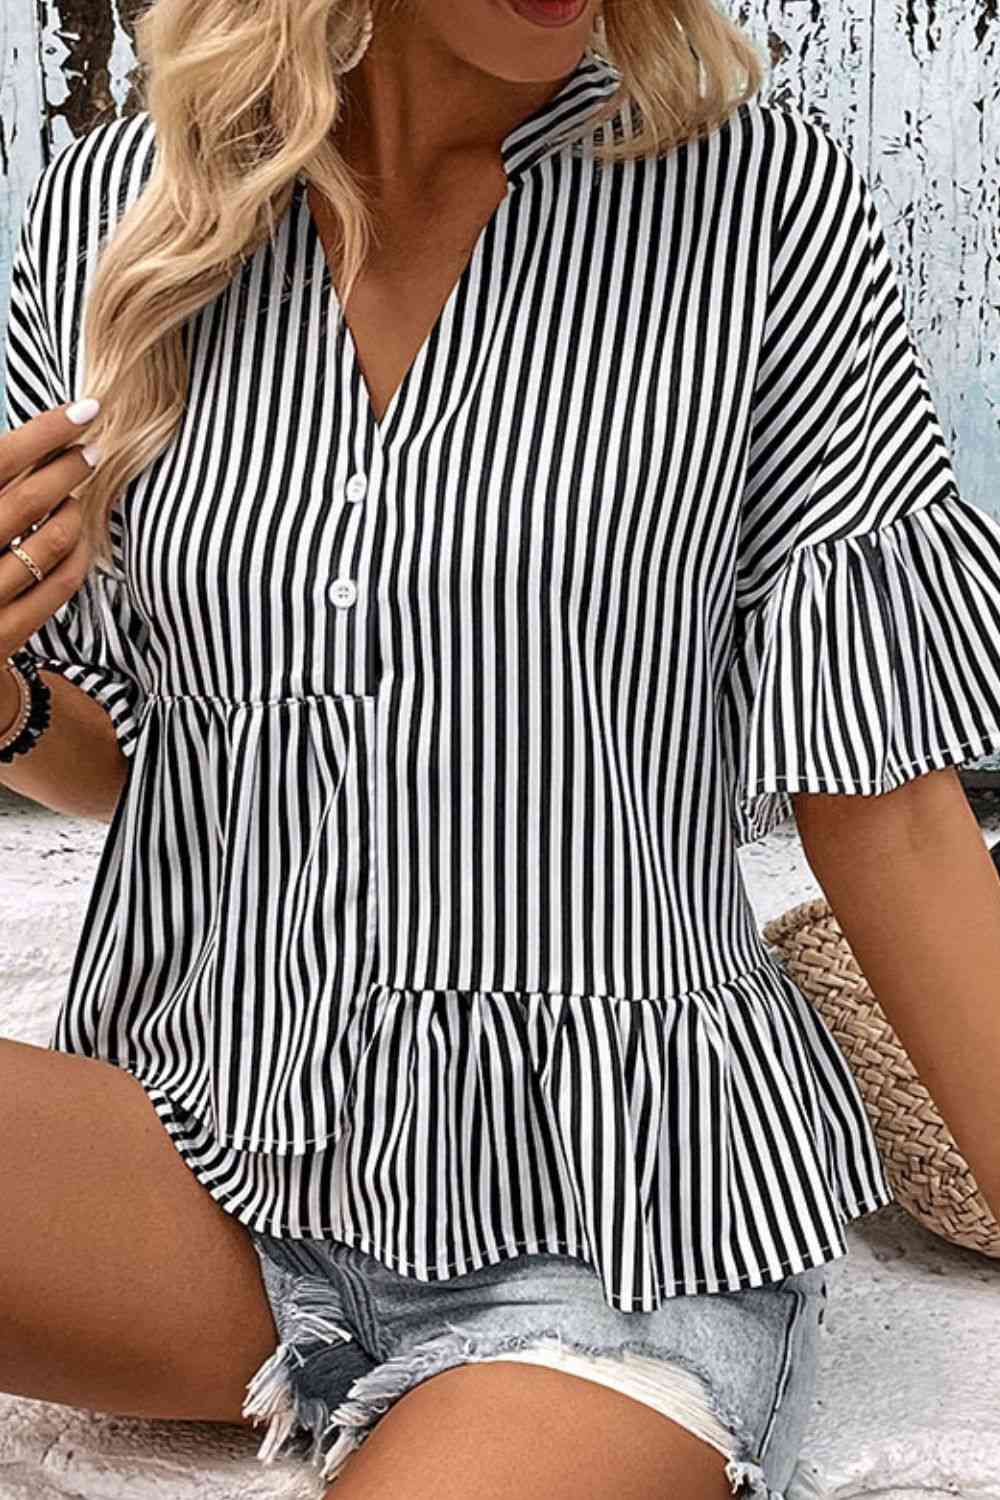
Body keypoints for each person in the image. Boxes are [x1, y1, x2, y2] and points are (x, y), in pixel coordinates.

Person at [2, 1, 1000, 1497]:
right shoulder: (125, 210)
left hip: (611, 1231)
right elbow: (147, 753)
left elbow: (894, 817)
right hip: (206, 1146)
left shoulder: (758, 205)